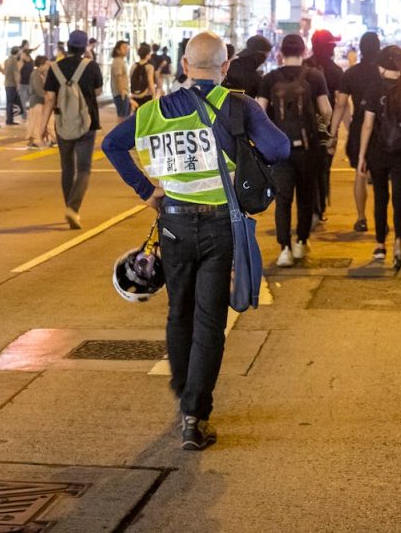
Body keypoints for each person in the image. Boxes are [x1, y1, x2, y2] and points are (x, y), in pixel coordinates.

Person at [101, 31, 289, 450]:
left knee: (178, 314)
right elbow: (280, 148)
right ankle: (195, 414)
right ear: (225, 68)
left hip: (173, 226)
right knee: (210, 321)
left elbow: (112, 144)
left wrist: (146, 190)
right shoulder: (236, 105)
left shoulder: (154, 110)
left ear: (185, 66)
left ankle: (184, 396)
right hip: (221, 226)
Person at [257, 34, 332, 267]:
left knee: (283, 199)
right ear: (304, 51)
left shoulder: (270, 78)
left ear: (281, 53)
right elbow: (326, 110)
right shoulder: (314, 76)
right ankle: (301, 241)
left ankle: (284, 249)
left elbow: (259, 111)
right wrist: (318, 127)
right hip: (307, 147)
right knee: (306, 196)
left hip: (280, 150)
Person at [356, 46, 401, 270]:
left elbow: (367, 125)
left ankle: (379, 245)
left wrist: (361, 155)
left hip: (378, 151)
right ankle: (399, 243)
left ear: (383, 67)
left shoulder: (375, 89)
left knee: (381, 198)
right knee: (400, 199)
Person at [39, 30, 104, 229]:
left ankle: (70, 206)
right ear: (84, 47)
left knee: (67, 167)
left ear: (67, 46)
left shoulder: (55, 68)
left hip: (62, 124)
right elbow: (98, 92)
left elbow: (49, 98)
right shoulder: (91, 66)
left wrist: (42, 127)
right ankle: (73, 209)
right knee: (84, 168)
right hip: (87, 124)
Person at [333, 31, 382, 232]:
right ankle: (380, 219)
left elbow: (341, 104)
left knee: (360, 174)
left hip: (358, 128)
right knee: (380, 177)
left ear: (360, 49)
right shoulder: (383, 72)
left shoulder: (351, 74)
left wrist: (333, 132)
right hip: (382, 129)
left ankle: (361, 218)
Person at [305, 29, 345, 223]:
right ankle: (318, 210)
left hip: (303, 127)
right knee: (323, 168)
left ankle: (311, 208)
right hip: (325, 126)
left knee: (307, 170)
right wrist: (335, 130)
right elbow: (340, 104)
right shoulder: (336, 71)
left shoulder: (303, 67)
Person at [26, 56, 52, 148]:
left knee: (37, 122)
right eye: (46, 64)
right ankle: (36, 141)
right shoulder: (35, 74)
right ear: (41, 65)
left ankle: (35, 140)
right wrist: (47, 98)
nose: (48, 66)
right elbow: (39, 90)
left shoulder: (41, 74)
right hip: (37, 102)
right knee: (37, 122)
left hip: (40, 102)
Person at [130, 43, 156, 108]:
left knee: (137, 114)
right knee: (146, 114)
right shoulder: (149, 66)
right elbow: (150, 80)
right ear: (147, 55)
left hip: (134, 94)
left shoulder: (134, 66)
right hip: (146, 94)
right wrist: (154, 94)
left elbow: (131, 78)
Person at [110, 40, 131, 121]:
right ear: (117, 50)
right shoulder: (118, 61)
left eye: (127, 47)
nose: (126, 49)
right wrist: (122, 93)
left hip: (123, 92)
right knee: (122, 118)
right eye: (124, 48)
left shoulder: (121, 61)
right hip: (121, 93)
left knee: (124, 116)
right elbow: (119, 77)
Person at [3, 46, 23, 125]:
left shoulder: (7, 60)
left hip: (7, 84)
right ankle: (10, 120)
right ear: (17, 52)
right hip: (12, 84)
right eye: (20, 52)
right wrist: (18, 84)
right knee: (12, 103)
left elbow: (5, 71)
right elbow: (16, 73)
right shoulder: (14, 61)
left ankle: (9, 119)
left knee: (9, 103)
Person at [18, 48, 33, 122]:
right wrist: (21, 60)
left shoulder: (31, 60)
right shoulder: (22, 61)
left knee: (32, 101)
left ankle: (32, 116)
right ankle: (24, 117)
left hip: (30, 84)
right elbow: (18, 70)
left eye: (22, 54)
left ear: (26, 54)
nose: (21, 55)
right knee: (22, 101)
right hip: (23, 84)